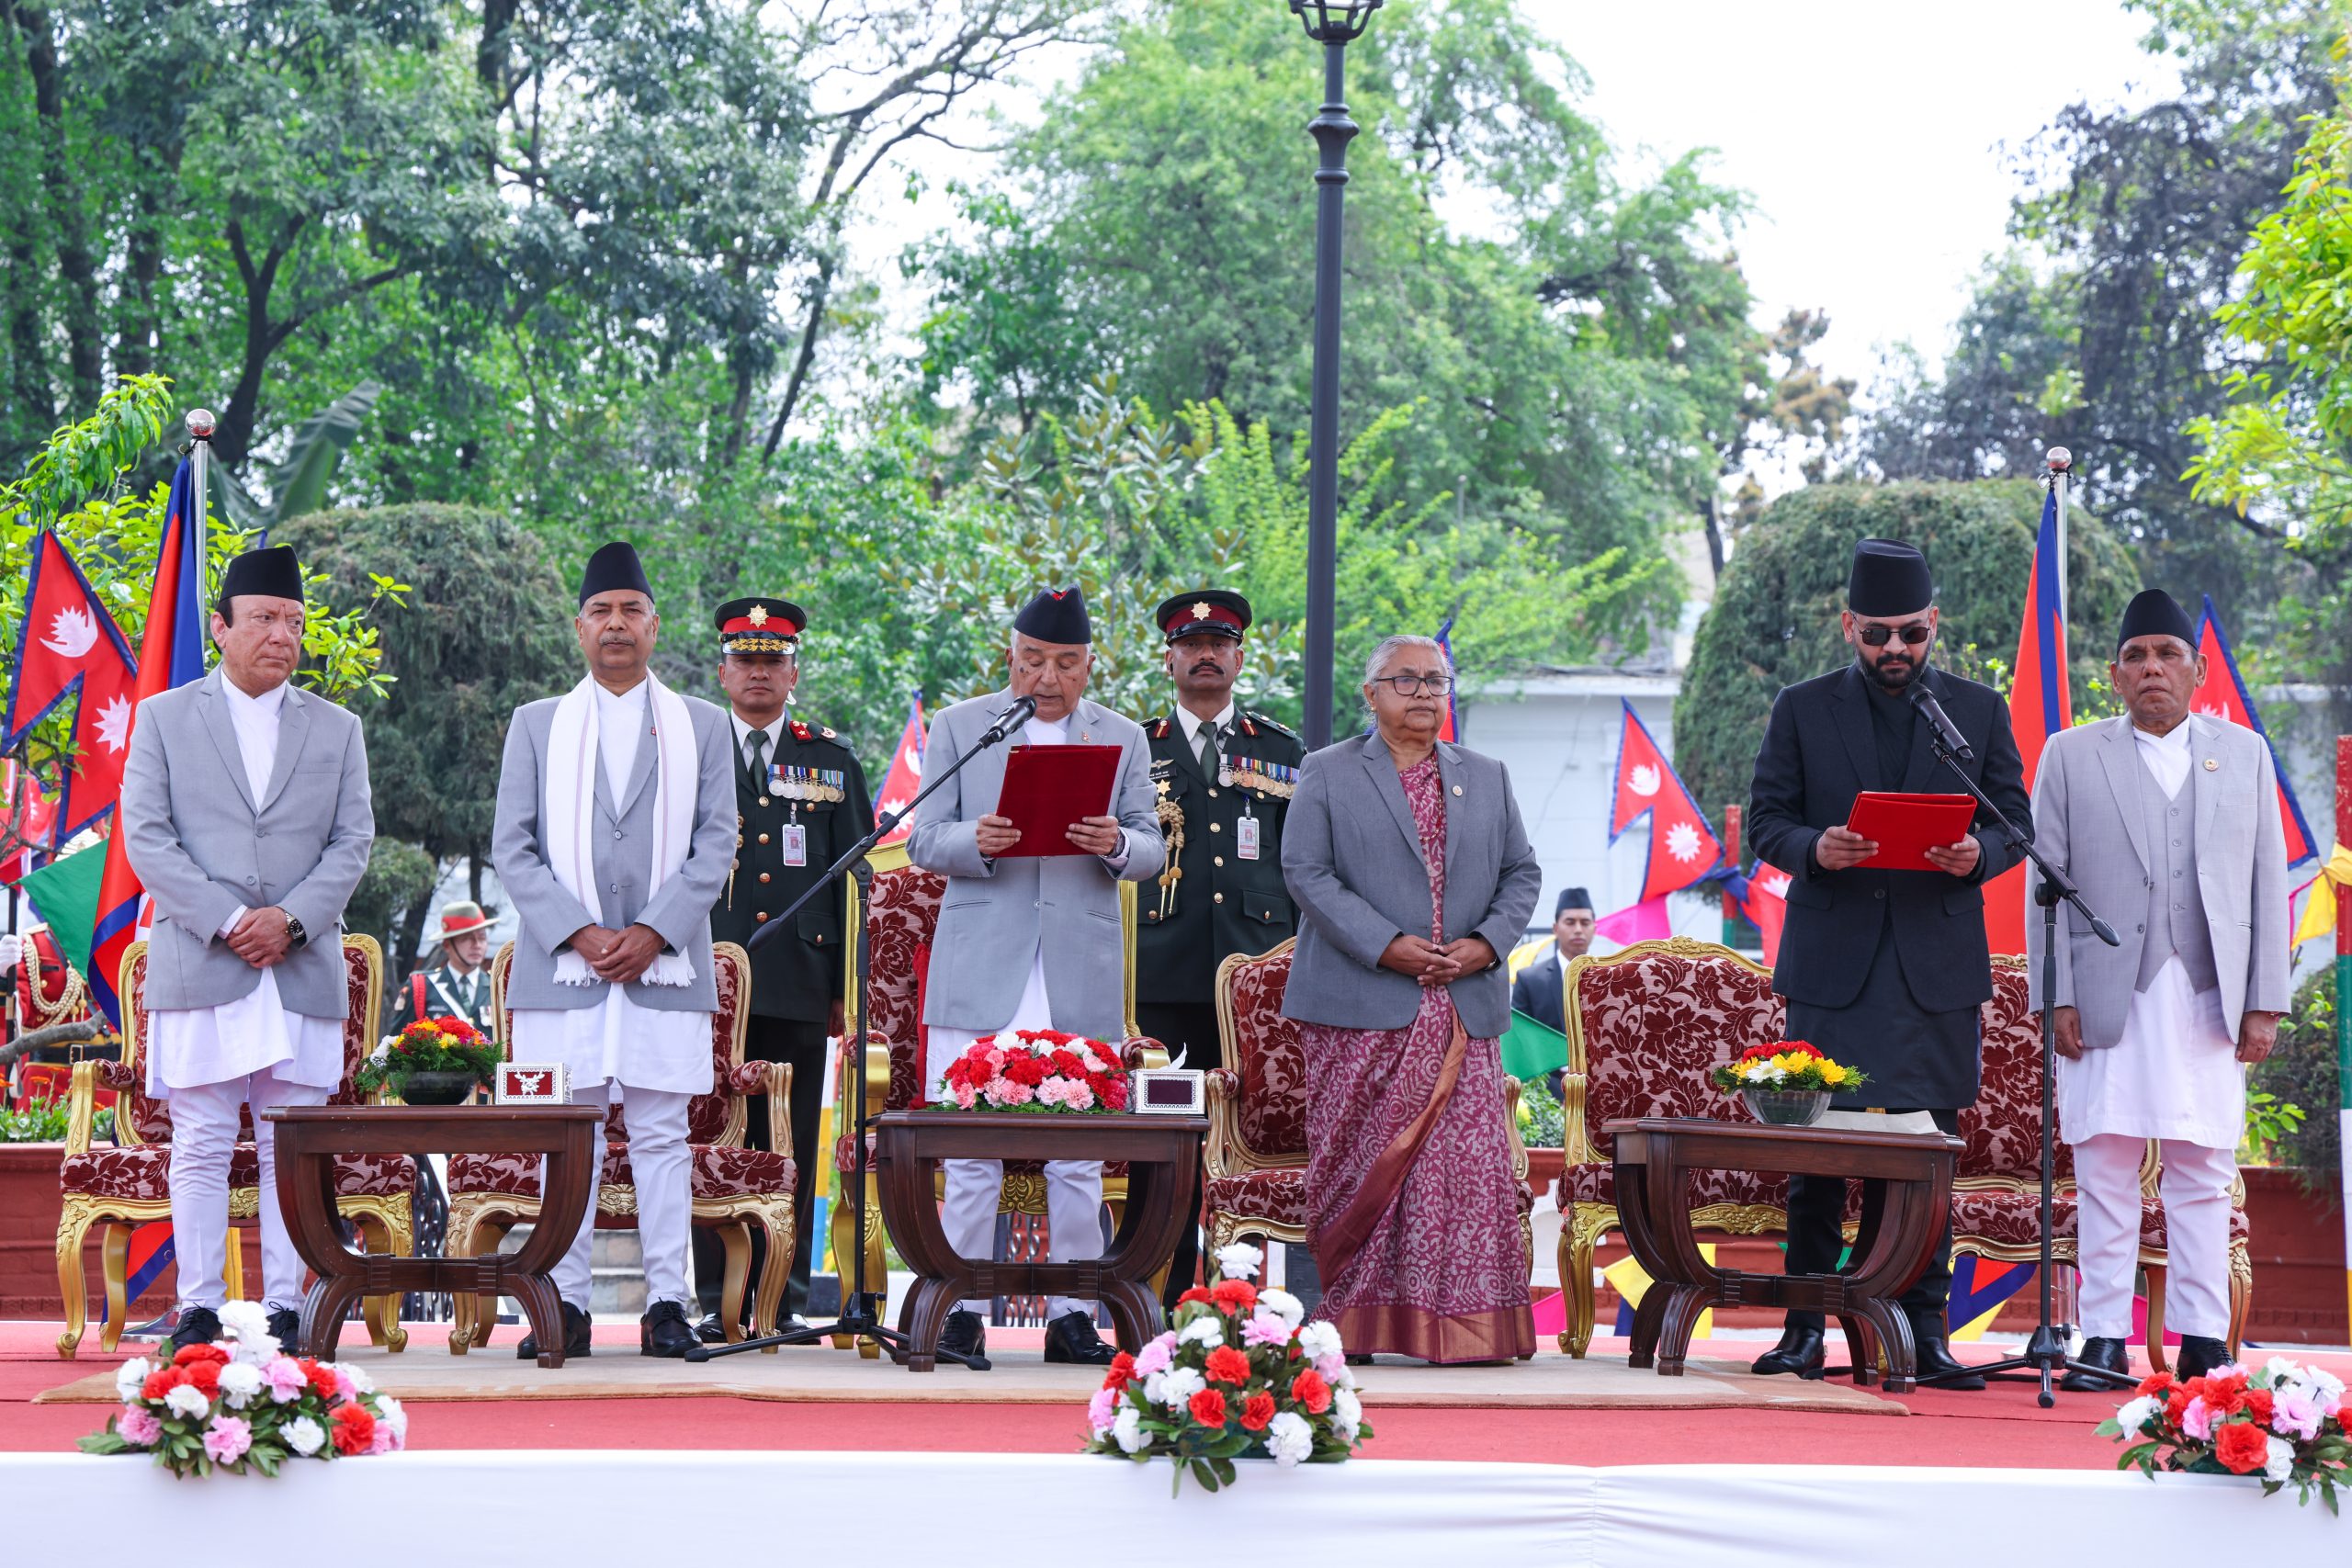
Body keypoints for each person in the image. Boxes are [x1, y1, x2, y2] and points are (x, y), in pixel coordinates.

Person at [1745, 537, 2031, 1390]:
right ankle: (1804, 1330)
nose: (1895, 650)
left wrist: (1975, 856)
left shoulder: (1975, 711)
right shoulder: (1802, 707)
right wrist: (1817, 848)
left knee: (1925, 1159)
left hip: (1933, 973)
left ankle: (1924, 1332)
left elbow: (2013, 821)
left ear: (1933, 622)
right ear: (1849, 626)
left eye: (1910, 632)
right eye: (1877, 634)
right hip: (1835, 968)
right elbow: (1767, 820)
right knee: (1819, 1159)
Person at [2028, 589, 2289, 1386]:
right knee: (2103, 1164)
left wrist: (2264, 1000)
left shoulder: (2243, 752)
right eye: (2137, 656)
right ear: (2114, 674)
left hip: (2209, 993)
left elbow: (2265, 880)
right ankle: (2103, 1336)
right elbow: (2046, 885)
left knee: (2203, 1170)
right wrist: (2055, 997)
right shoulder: (2070, 755)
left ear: (2197, 669)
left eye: (2167, 655)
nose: (2152, 669)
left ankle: (2204, 1335)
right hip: (2109, 991)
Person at [119, 545, 375, 1354]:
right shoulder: (163, 717)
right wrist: (232, 918)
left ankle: (286, 1308)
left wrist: (291, 920)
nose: (282, 634)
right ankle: (196, 1306)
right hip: (206, 956)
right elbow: (147, 840)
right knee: (198, 1137)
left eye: (294, 621)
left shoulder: (338, 729)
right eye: (264, 618)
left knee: (285, 1145)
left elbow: (352, 841)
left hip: (298, 965)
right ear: (221, 628)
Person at [907, 586, 1163, 1367]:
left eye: (1065, 663)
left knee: (1078, 1155)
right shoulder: (959, 727)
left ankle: (1074, 1314)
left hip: (1075, 970)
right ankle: (960, 1309)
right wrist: (974, 840)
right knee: (970, 1149)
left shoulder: (1121, 736)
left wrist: (1116, 841)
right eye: (1033, 661)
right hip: (982, 961)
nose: (1047, 677)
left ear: (1090, 666)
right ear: (1009, 658)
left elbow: (1152, 850)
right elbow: (921, 838)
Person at [491, 541, 734, 1359]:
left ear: (655, 626)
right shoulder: (536, 725)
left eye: (632, 610)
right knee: (570, 1132)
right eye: (602, 612)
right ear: (579, 628)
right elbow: (513, 848)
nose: (617, 625)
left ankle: (669, 1302)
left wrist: (654, 930)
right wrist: (581, 932)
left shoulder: (703, 724)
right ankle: (562, 1301)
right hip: (565, 967)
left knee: (664, 1135)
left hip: (667, 962)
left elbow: (717, 841)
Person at [1281, 635, 1544, 1364]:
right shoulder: (1327, 772)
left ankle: (1461, 1329)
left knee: (1458, 1173)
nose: (1425, 692)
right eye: (1407, 679)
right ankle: (1354, 1325)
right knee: (1359, 1163)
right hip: (1361, 1002)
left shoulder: (1487, 776)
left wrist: (1486, 944)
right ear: (1371, 694)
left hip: (1464, 1002)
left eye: (1437, 679)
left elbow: (1522, 871)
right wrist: (1386, 942)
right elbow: (1305, 871)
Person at [693, 596, 873, 1342]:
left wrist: (846, 990)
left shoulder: (829, 757)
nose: (759, 672)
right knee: (710, 1132)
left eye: (772, 660)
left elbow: (858, 878)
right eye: (745, 659)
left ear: (793, 671)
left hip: (802, 978)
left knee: (787, 1135)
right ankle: (713, 1295)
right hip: (705, 980)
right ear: (724, 669)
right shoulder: (693, 749)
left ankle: (787, 1292)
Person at [1134, 589, 1305, 1309]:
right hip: (1160, 972)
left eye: (1220, 642)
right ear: (1169, 657)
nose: (1206, 654)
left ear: (1239, 656)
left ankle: (1240, 1300)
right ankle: (1157, 1292)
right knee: (1165, 1141)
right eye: (1191, 642)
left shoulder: (1281, 750)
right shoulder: (1134, 745)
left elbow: (1304, 867)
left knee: (1247, 1138)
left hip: (1255, 985)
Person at [1510, 887, 1596, 1099]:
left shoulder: (1609, 977)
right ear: (1555, 928)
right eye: (1570, 922)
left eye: (1585, 923)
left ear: (1595, 928)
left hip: (1600, 1092)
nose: (1578, 930)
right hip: (1547, 1094)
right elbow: (1522, 1044)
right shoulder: (1530, 979)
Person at [385, 900, 496, 1037]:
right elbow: (397, 1041)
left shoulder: (496, 988)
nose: (477, 945)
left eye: (482, 938)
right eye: (467, 938)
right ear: (447, 945)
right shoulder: (421, 987)